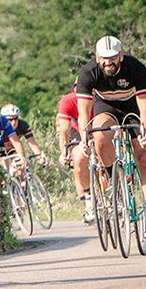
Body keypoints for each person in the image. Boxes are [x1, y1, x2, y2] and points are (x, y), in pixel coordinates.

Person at [76, 35, 146, 240]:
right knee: (99, 133)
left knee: (145, 159)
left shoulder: (135, 68)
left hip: (134, 108)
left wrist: (145, 134)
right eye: (104, 58)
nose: (108, 62)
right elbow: (83, 112)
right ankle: (113, 179)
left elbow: (145, 107)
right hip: (107, 107)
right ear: (97, 57)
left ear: (120, 55)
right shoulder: (88, 72)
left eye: (113, 57)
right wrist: (83, 139)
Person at [56, 85, 94, 224]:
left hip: (96, 128)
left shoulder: (100, 98)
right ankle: (88, 201)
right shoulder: (68, 101)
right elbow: (64, 132)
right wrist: (64, 153)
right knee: (78, 160)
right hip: (76, 131)